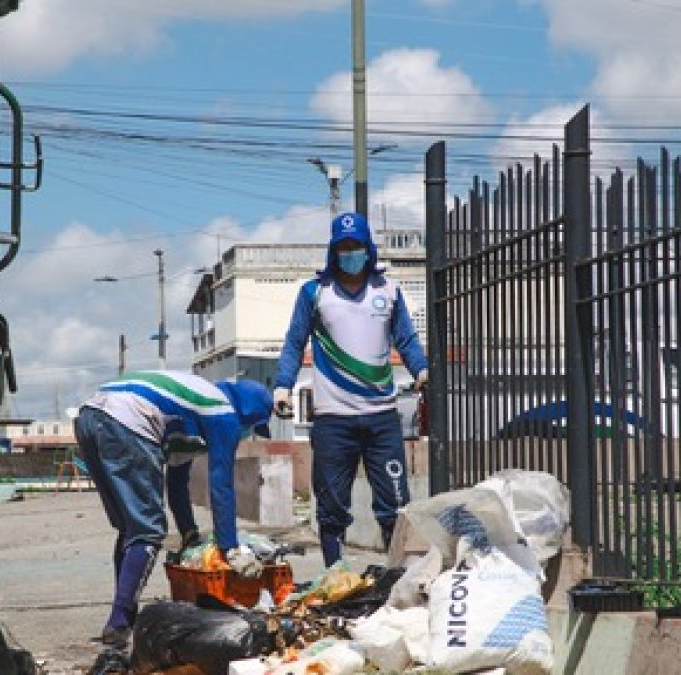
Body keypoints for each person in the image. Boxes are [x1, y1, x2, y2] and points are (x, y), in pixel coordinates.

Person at [272, 211, 429, 567]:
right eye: (343, 246)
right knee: (331, 509)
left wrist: (421, 369)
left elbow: (405, 338)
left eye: (356, 245)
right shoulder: (314, 293)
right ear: (333, 250)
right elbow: (295, 343)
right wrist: (283, 386)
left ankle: (395, 579)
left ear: (367, 248)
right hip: (333, 421)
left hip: (382, 419)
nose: (350, 252)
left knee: (394, 505)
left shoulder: (388, 291)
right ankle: (334, 578)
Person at [73, 370, 274, 647]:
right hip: (128, 419)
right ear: (249, 414)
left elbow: (177, 483)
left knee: (131, 528)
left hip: (91, 414)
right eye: (252, 427)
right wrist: (230, 548)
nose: (247, 434)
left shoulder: (192, 409)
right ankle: (119, 623)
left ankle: (123, 617)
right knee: (147, 532)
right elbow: (221, 484)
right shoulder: (223, 414)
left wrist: (189, 533)